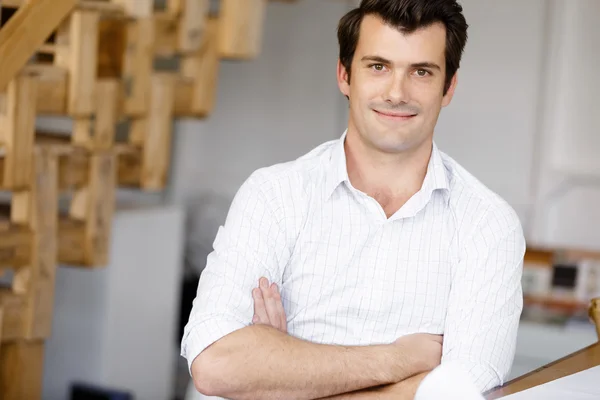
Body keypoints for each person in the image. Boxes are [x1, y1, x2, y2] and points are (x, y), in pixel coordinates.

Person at [180, 0, 526, 399]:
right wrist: (396, 360)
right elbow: (216, 364)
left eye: (421, 72)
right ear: (345, 75)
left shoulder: (488, 225)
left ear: (448, 87)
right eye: (378, 66)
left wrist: (279, 376)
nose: (397, 93)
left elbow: (456, 391)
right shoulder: (274, 196)